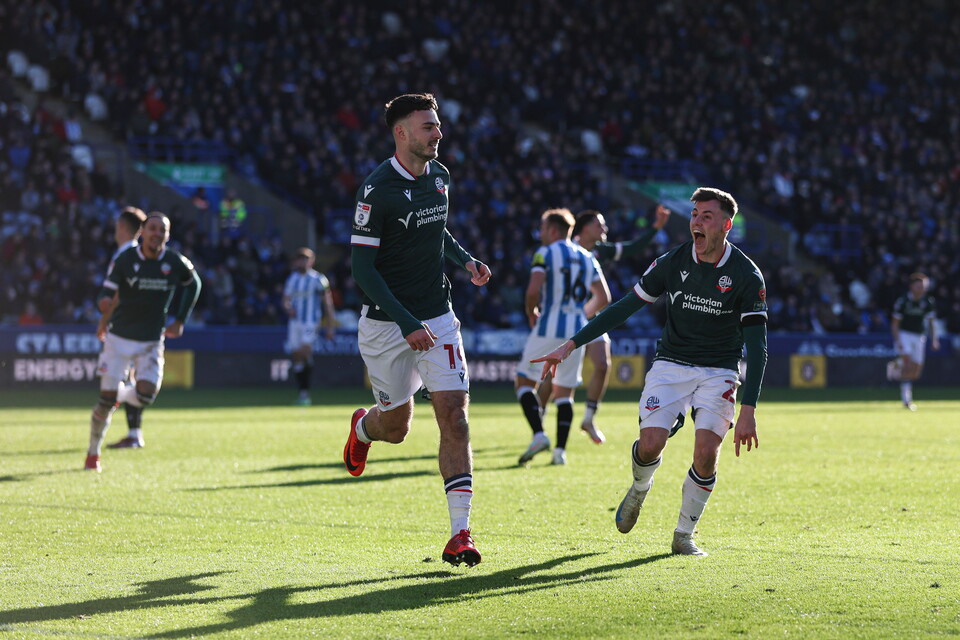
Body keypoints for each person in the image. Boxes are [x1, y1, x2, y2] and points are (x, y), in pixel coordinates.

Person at [532, 187, 768, 557]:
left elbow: (757, 347)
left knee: (706, 452)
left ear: (725, 224)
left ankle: (683, 535)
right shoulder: (672, 263)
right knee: (651, 445)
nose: (696, 222)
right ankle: (639, 489)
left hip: (719, 370)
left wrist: (749, 409)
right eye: (694, 215)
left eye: (706, 216)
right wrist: (571, 344)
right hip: (671, 365)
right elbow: (624, 307)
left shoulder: (746, 276)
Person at [343, 93, 492, 566]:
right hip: (388, 326)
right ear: (401, 133)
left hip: (439, 316)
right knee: (397, 428)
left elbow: (437, 231)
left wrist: (464, 259)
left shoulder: (441, 177)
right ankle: (364, 429)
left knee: (455, 414)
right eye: (428, 127)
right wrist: (407, 322)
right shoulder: (376, 190)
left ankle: (460, 533)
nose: (438, 133)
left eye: (438, 126)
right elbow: (362, 270)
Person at [537, 204, 671, 444]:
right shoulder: (566, 250)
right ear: (585, 228)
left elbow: (632, 249)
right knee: (553, 373)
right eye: (599, 224)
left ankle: (588, 418)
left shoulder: (599, 250)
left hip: (588, 317)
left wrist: (655, 228)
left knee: (602, 363)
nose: (605, 228)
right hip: (565, 319)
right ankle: (539, 417)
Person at [86, 212, 202, 472]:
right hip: (119, 338)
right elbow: (107, 292)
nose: (157, 234)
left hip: (151, 339)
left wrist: (180, 319)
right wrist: (103, 308)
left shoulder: (174, 261)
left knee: (146, 395)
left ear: (168, 235)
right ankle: (93, 453)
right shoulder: (126, 259)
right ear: (143, 232)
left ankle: (117, 396)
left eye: (162, 230)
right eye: (152, 229)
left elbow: (193, 284)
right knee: (104, 404)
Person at [515, 208, 610, 466]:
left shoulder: (544, 253)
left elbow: (534, 288)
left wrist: (531, 311)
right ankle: (559, 452)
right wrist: (580, 315)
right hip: (576, 332)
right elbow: (603, 297)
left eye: (544, 229)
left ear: (554, 230)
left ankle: (538, 434)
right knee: (565, 392)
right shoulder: (587, 256)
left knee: (524, 382)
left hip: (549, 326)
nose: (541, 234)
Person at [98, 206, 148, 449]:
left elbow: (116, 293)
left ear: (122, 227)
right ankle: (134, 433)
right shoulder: (139, 253)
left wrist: (105, 321)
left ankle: (133, 434)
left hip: (125, 328)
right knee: (132, 379)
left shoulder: (125, 256)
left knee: (121, 382)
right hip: (139, 325)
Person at [282, 247, 337, 405]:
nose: (303, 262)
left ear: (311, 261)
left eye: (306, 259)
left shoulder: (319, 279)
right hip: (295, 323)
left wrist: (330, 326)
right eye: (300, 259)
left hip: (310, 322)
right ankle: (303, 394)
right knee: (297, 356)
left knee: (303, 351)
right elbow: (285, 299)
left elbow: (328, 303)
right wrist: (287, 308)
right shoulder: (292, 279)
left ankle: (304, 394)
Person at [888, 272, 939, 410]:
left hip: (919, 336)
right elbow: (895, 323)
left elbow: (932, 322)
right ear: (912, 286)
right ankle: (906, 400)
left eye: (924, 286)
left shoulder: (927, 302)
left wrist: (934, 339)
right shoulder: (903, 301)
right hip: (905, 334)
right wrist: (897, 339)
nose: (921, 289)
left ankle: (896, 365)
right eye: (919, 286)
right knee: (908, 364)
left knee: (916, 372)